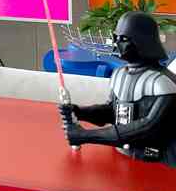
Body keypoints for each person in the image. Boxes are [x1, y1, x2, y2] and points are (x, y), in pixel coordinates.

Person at [60, 11, 176, 167]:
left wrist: (85, 136)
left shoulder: (162, 83)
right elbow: (113, 111)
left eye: (123, 39)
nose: (116, 43)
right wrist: (79, 112)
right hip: (123, 159)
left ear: (142, 41)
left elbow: (146, 128)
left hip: (159, 164)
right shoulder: (120, 74)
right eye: (116, 38)